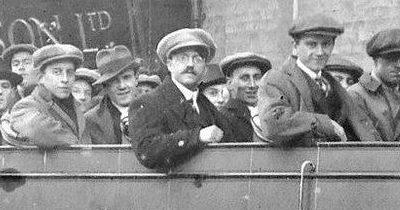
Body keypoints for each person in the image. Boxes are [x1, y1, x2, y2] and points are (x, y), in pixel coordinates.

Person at [254, 14, 378, 146]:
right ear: (295, 46)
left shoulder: (332, 84)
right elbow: (274, 123)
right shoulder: (277, 79)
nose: (320, 52)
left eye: (326, 44)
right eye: (312, 45)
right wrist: (324, 124)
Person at [128, 28, 234, 170]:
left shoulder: (206, 106)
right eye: (183, 58)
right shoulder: (147, 103)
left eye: (197, 58)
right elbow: (147, 150)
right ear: (170, 64)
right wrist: (198, 136)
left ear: (204, 68)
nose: (190, 64)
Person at [5, 43, 109, 147]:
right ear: (41, 77)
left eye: (69, 72)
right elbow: (39, 129)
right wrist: (79, 147)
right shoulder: (24, 107)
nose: (65, 79)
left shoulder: (78, 107)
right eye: (57, 72)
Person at [348, 29, 400, 142]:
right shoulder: (356, 95)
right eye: (391, 58)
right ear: (376, 60)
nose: (398, 65)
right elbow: (370, 143)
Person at [83, 44, 139, 144]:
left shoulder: (157, 109)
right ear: (105, 86)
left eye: (126, 77)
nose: (122, 86)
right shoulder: (91, 120)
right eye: (114, 80)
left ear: (136, 78)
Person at [219, 51, 270, 142]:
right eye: (245, 78)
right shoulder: (223, 118)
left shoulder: (272, 112)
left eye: (257, 78)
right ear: (229, 83)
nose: (252, 85)